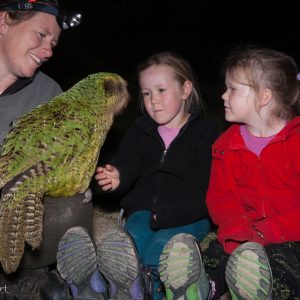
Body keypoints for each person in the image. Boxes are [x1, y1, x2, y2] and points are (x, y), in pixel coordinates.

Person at [56, 51, 219, 299]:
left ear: (185, 90)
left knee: (160, 251)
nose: (153, 100)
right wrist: (117, 177)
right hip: (143, 210)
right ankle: (109, 285)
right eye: (146, 93)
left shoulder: (205, 134)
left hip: (188, 214)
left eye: (162, 90)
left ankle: (149, 289)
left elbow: (207, 187)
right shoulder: (140, 130)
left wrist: (172, 213)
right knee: (130, 244)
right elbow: (128, 165)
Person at [158, 45, 300, 300]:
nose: (224, 95)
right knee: (217, 257)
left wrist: (266, 233)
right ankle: (196, 289)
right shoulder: (225, 146)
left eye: (233, 89)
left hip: (290, 237)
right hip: (241, 237)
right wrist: (239, 233)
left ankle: (259, 291)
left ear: (263, 96)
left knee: (285, 265)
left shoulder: (296, 142)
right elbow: (220, 199)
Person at [0, 1, 92, 298]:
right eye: (41, 35)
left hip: (9, 215)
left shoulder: (50, 97)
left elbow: (61, 167)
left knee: (73, 209)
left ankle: (19, 276)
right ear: (4, 22)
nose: (49, 50)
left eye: (53, 43)